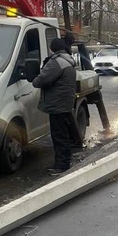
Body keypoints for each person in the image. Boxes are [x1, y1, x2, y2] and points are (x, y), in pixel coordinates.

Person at [32, 38, 77, 174]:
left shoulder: (56, 62)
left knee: (58, 136)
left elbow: (41, 80)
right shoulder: (67, 59)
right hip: (64, 103)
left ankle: (61, 166)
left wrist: (34, 78)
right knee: (63, 134)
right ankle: (64, 162)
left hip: (57, 104)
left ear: (52, 48)